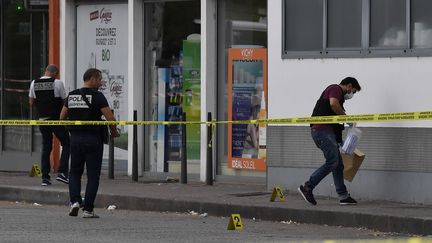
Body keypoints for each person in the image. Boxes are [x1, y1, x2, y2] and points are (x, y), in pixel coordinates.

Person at [60, 68, 120, 218]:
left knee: (74, 173)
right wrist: (114, 132)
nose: (100, 83)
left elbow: (61, 118)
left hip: (75, 139)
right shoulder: (98, 96)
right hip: (93, 139)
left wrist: (72, 128)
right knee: (93, 176)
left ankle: (74, 201)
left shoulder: (72, 95)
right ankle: (88, 210)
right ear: (92, 78)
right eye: (99, 79)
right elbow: (110, 118)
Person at [298, 77, 361, 206]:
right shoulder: (335, 89)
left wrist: (340, 142)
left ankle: (343, 196)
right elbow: (333, 104)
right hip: (322, 131)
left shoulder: (338, 97)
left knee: (338, 165)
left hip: (326, 132)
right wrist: (346, 118)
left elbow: (333, 118)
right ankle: (308, 186)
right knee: (333, 161)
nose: (352, 94)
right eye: (353, 91)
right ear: (349, 86)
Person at [29, 64, 70, 186]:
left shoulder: (34, 83)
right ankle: (62, 173)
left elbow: (31, 102)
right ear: (55, 73)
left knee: (46, 147)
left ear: (46, 71)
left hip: (42, 120)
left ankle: (45, 178)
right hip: (56, 119)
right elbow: (65, 102)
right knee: (67, 143)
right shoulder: (57, 83)